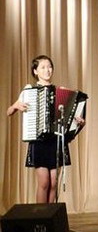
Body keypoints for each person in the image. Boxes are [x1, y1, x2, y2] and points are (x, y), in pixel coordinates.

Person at [6, 55, 85, 203]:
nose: (47, 70)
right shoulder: (29, 90)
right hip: (39, 141)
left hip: (56, 140)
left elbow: (69, 117)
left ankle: (50, 215)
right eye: (43, 67)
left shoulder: (60, 91)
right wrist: (16, 106)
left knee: (54, 183)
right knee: (44, 182)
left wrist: (78, 120)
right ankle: (41, 215)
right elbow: (9, 112)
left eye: (49, 67)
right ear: (35, 71)